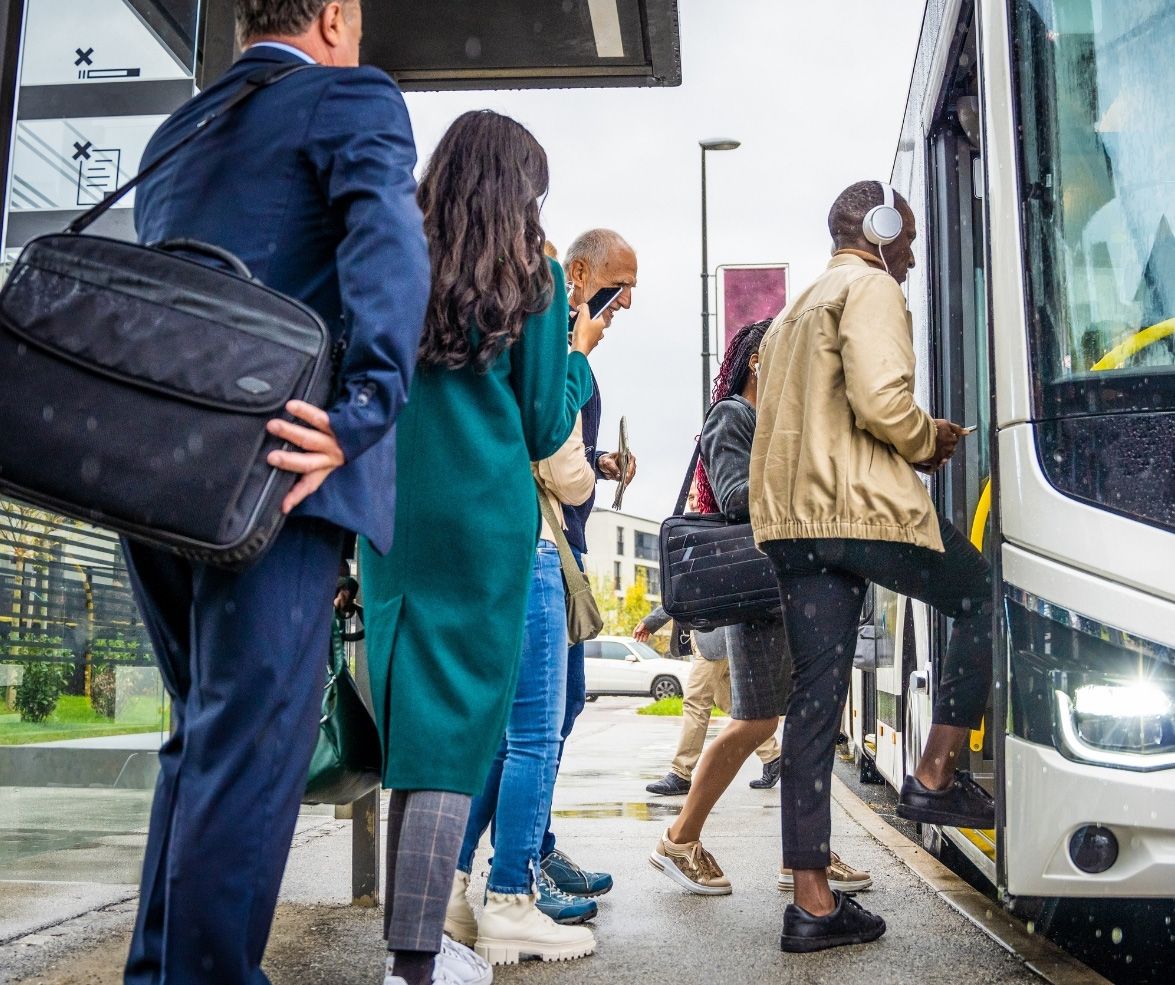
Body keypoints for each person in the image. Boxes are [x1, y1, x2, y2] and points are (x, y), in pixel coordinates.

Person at [120, 3, 430, 983]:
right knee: (247, 758)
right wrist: (363, 412)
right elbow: (390, 252)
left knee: (201, 745)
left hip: (155, 476)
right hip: (274, 478)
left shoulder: (183, 128)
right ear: (336, 14)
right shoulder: (351, 98)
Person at [359, 110, 605, 985]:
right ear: (518, 190)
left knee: (415, 739)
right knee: (460, 743)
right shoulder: (530, 275)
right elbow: (545, 421)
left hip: (393, 519)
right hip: (487, 526)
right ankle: (415, 966)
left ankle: (410, 953)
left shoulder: (393, 257)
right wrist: (575, 351)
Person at [751, 180, 993, 953]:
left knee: (813, 706)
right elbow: (883, 404)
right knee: (981, 593)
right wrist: (934, 440)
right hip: (854, 511)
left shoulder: (792, 310)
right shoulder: (870, 285)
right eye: (909, 240)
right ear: (881, 230)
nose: (913, 256)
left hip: (792, 523)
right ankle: (933, 771)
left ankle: (812, 902)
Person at [650, 320, 871, 899]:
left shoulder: (771, 424)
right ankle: (679, 837)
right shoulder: (733, 416)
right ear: (757, 363)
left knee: (795, 721)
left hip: (782, 592)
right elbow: (735, 498)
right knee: (757, 721)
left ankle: (804, 854)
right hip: (757, 596)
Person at [445, 416, 599, 964]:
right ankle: (511, 898)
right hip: (528, 545)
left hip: (470, 541)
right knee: (535, 735)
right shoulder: (537, 339)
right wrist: (576, 362)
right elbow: (566, 472)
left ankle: (451, 885)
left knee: (498, 739)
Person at [536, 229, 638, 915]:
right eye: (618, 283)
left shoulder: (573, 344)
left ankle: (533, 846)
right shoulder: (552, 329)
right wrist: (581, 473)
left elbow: (570, 442)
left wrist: (601, 463)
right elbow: (548, 443)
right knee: (535, 721)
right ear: (577, 271)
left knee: (562, 708)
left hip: (562, 544)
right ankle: (518, 862)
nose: (627, 299)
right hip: (542, 542)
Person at [639, 605, 782, 795]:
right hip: (716, 635)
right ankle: (773, 757)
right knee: (731, 702)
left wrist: (652, 621)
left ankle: (680, 773)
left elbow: (683, 589)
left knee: (695, 703)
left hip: (713, 636)